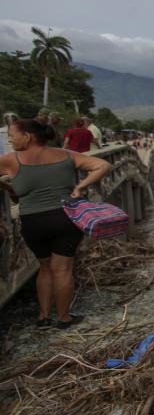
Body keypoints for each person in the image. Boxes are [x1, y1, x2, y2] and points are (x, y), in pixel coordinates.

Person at [0, 119, 110, 329]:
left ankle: (43, 316)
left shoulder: (11, 160)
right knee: (62, 269)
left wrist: (7, 187)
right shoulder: (66, 155)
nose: (10, 139)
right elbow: (103, 165)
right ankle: (63, 318)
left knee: (45, 267)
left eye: (12, 135)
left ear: (27, 136)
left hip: (33, 222)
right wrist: (80, 187)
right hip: (66, 218)